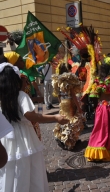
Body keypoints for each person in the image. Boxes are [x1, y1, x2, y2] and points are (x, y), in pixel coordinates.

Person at [0, 63, 68, 192]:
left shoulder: (3, 98)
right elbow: (30, 115)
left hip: (7, 139)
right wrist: (55, 117)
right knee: (28, 170)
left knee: (10, 171)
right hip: (25, 139)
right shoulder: (21, 96)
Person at [3, 51, 43, 140]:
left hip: (21, 118)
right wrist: (36, 98)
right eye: (20, 60)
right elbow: (19, 99)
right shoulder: (19, 79)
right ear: (13, 63)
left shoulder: (17, 78)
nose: (23, 62)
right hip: (24, 118)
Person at [52, 63, 85, 150]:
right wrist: (78, 107)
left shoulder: (56, 80)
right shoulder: (67, 79)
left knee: (64, 119)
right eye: (70, 69)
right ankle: (69, 142)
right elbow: (73, 95)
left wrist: (61, 104)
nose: (71, 71)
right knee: (72, 121)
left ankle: (63, 138)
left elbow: (58, 94)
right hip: (70, 102)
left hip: (63, 102)